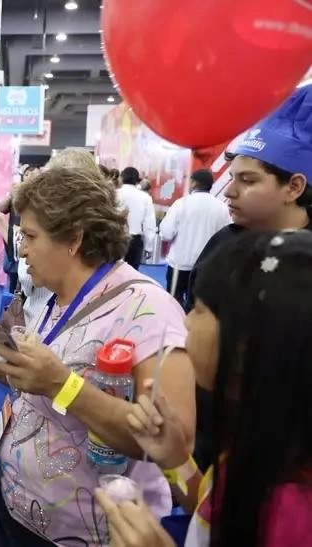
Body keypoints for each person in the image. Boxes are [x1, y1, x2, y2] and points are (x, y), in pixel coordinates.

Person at [0, 165, 195, 546]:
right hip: (20, 514)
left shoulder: (150, 310)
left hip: (91, 534)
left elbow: (172, 442)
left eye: (30, 236)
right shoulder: (57, 297)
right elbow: (48, 382)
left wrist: (63, 385)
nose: (20, 248)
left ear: (72, 239)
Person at [96, 230, 312, 547]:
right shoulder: (264, 438)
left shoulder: (295, 509)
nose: (185, 322)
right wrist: (175, 460)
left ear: (245, 342)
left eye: (198, 308)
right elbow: (216, 511)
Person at [187, 85, 312, 473]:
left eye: (249, 180)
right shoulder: (223, 245)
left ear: (294, 186)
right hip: (206, 428)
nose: (230, 192)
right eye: (232, 177)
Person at [158, 169, 230, 307]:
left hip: (180, 265)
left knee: (174, 305)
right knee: (199, 308)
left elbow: (166, 233)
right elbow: (226, 238)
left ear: (194, 183)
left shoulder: (181, 203)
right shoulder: (221, 208)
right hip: (206, 267)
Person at [117, 167, 157, 269]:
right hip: (134, 240)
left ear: (121, 177)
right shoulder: (145, 197)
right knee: (132, 274)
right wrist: (149, 247)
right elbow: (149, 224)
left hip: (115, 237)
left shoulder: (114, 193)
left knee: (111, 273)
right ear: (137, 180)